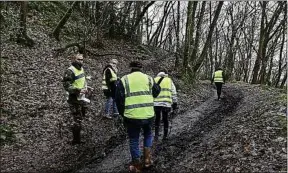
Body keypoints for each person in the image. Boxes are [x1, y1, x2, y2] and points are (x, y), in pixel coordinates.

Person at [115, 61, 160, 173]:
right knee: (148, 135)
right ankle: (148, 161)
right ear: (141, 68)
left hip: (132, 116)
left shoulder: (124, 79)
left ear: (130, 68)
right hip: (148, 114)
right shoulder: (149, 78)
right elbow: (156, 91)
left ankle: (137, 166)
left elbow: (119, 99)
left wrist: (123, 113)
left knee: (134, 140)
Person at [62, 54, 88, 145]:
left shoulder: (81, 68)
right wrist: (78, 90)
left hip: (81, 97)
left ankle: (77, 138)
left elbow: (82, 80)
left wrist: (86, 87)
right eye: (78, 59)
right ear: (74, 60)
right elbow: (66, 85)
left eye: (82, 59)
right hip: (73, 99)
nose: (80, 61)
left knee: (81, 116)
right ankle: (76, 140)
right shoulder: (70, 71)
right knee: (77, 119)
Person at [154, 71, 178, 141]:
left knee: (157, 118)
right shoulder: (169, 80)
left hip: (156, 103)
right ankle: (165, 136)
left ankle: (156, 135)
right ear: (165, 75)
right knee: (165, 119)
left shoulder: (154, 80)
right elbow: (174, 92)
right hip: (166, 103)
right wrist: (175, 102)